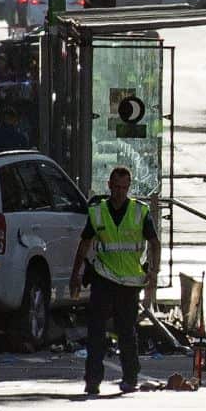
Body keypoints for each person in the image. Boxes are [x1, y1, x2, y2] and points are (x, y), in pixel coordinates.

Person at [69, 166, 160, 396]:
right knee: (96, 331)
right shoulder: (98, 212)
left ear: (129, 188)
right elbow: (84, 243)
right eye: (116, 187)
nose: (120, 192)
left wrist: (153, 272)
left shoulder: (139, 211)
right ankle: (92, 381)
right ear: (109, 186)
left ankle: (130, 377)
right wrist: (75, 274)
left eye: (124, 188)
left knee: (126, 331)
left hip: (129, 282)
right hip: (104, 277)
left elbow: (154, 242)